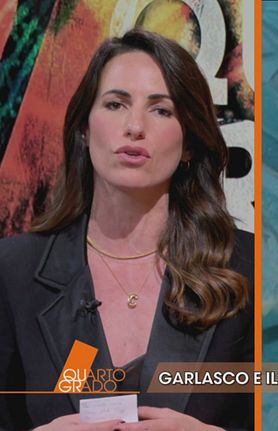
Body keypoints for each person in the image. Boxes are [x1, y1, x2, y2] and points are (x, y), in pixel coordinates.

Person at [0, 29, 253, 430]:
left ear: (189, 144)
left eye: (161, 110)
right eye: (115, 104)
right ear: (85, 128)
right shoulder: (14, 271)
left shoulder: (249, 267)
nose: (135, 126)